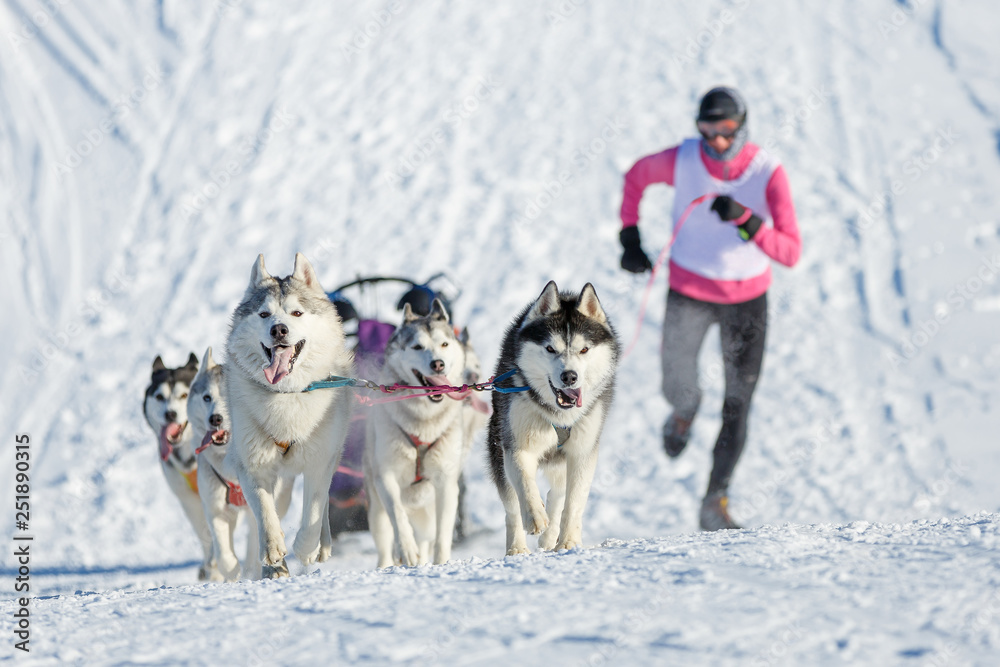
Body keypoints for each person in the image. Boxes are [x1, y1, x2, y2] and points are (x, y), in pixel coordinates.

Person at [617, 86, 801, 530]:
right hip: (688, 291)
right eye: (707, 130)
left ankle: (714, 499)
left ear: (742, 126)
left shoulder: (767, 172)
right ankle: (683, 412)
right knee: (677, 381)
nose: (716, 141)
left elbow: (790, 251)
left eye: (726, 130)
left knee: (738, 401)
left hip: (746, 303)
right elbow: (635, 177)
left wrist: (746, 218)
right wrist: (630, 238)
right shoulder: (682, 159)